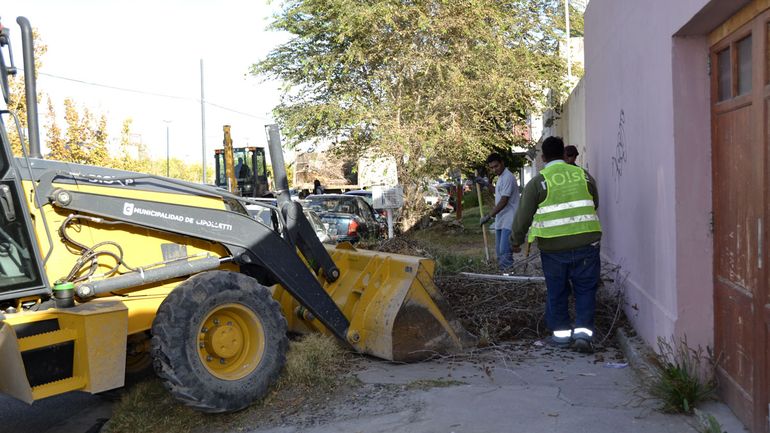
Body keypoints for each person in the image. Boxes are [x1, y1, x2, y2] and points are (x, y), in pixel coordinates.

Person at [511, 136, 601, 353]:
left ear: (542, 157)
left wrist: (515, 241)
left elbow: (523, 216)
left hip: (553, 249)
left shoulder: (538, 182)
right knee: (586, 290)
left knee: (557, 291)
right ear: (563, 154)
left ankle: (561, 337)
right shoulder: (583, 176)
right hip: (587, 244)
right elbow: (594, 202)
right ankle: (583, 336)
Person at [479, 153, 520, 272]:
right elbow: (498, 192)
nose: (494, 169)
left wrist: (489, 216)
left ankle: (509, 278)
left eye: (496, 166)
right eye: (491, 168)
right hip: (501, 220)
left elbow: (504, 201)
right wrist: (486, 184)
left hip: (509, 220)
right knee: (499, 251)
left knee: (505, 252)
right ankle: (504, 275)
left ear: (502, 163)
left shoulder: (508, 177)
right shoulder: (501, 177)